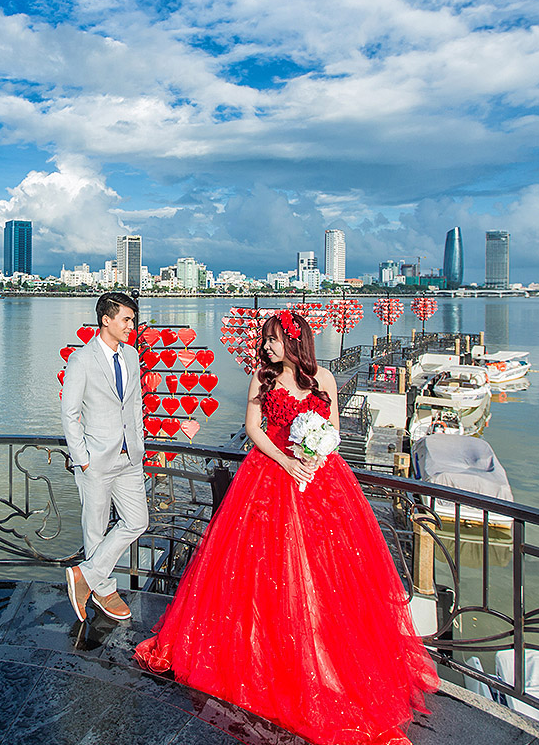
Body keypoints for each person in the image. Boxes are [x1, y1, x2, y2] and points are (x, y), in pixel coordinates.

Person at [134, 310, 438, 745]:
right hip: (269, 475)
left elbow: (331, 431)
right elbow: (253, 429)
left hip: (319, 480)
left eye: (275, 339)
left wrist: (313, 457)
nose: (268, 346)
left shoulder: (326, 380)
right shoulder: (264, 377)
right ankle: (263, 654)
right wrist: (285, 460)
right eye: (266, 339)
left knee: (324, 574)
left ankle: (326, 663)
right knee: (262, 569)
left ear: (296, 342)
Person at [60, 291, 149, 623]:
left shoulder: (131, 356)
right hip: (95, 459)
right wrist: (83, 458)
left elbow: (135, 406)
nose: (131, 325)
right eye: (126, 319)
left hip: (129, 458)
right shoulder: (81, 360)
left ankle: (85, 575)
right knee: (94, 530)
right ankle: (104, 590)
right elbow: (69, 415)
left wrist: (138, 443)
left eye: (132, 320)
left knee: (138, 521)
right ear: (106, 320)